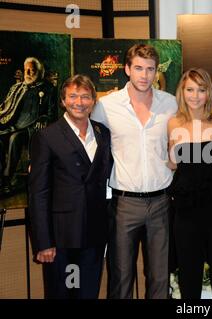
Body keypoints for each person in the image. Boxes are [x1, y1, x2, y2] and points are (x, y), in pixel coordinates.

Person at [91, 44, 178, 299]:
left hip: (162, 201)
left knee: (160, 277)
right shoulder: (106, 106)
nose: (144, 75)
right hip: (123, 203)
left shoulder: (170, 104)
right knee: (120, 276)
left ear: (155, 71)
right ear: (127, 69)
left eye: (150, 69)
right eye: (138, 68)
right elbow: (85, 140)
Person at [28, 74, 111, 299]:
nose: (79, 102)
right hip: (63, 238)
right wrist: (43, 242)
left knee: (87, 294)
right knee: (64, 294)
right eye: (73, 96)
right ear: (63, 101)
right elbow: (38, 193)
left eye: (85, 96)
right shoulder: (47, 137)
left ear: (93, 101)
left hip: (94, 235)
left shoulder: (103, 134)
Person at [167, 68, 212, 299]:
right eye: (190, 89)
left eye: (201, 90)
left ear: (209, 93)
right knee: (189, 276)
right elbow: (173, 164)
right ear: (182, 92)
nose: (195, 95)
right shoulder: (173, 123)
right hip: (186, 212)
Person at [0, 57, 57, 195]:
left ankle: (7, 179)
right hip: (13, 125)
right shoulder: (17, 88)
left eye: (32, 69)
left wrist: (44, 118)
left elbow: (52, 114)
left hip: (31, 129)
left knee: (15, 138)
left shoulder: (48, 89)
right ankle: (1, 177)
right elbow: (5, 107)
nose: (29, 72)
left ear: (40, 71)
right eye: (27, 69)